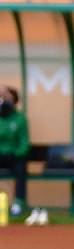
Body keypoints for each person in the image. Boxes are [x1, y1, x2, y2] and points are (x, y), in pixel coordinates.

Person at [0, 86, 30, 218]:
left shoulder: (20, 118)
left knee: (21, 166)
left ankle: (18, 203)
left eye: (7, 98)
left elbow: (24, 143)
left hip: (14, 156)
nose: (4, 102)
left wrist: (16, 153)